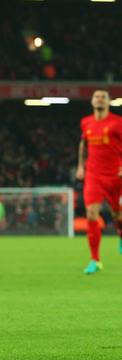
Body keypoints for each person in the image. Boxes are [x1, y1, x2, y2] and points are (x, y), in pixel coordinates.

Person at [75, 89, 122, 274]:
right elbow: (83, 144)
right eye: (96, 96)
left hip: (116, 176)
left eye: (103, 97)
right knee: (91, 214)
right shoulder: (85, 122)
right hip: (94, 175)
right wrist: (80, 166)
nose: (100, 99)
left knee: (117, 215)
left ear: (109, 102)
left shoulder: (118, 123)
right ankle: (95, 260)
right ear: (92, 101)